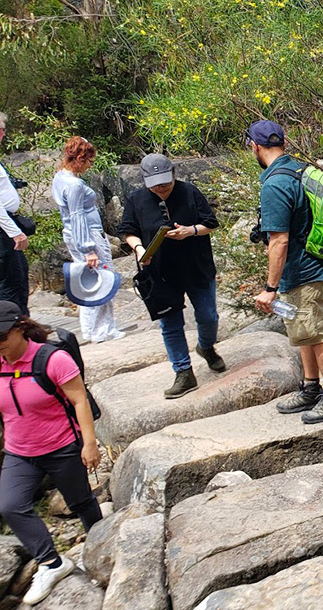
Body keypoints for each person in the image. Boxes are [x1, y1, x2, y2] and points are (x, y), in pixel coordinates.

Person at [0, 301, 102, 604]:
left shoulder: (53, 359)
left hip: (61, 446)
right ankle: (52, 562)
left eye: (2, 337)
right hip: (19, 452)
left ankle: (100, 550)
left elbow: (80, 401)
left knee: (82, 502)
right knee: (10, 505)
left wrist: (90, 443)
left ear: (20, 328)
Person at [248, 120, 323, 424]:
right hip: (310, 266)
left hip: (303, 270)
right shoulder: (296, 170)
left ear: (254, 146)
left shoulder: (275, 183)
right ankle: (310, 388)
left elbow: (279, 240)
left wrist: (269, 287)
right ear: (284, 144)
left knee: (315, 333)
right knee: (303, 331)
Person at [118, 154, 226, 398]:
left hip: (196, 266)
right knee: (170, 324)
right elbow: (128, 230)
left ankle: (206, 347)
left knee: (208, 315)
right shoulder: (136, 199)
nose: (161, 187)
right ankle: (183, 372)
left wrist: (191, 231)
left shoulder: (190, 192)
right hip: (160, 273)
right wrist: (139, 248)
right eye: (155, 184)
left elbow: (211, 222)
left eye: (165, 182)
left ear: (174, 174)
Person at [51, 136, 125, 343]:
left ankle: (96, 329)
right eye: (89, 161)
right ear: (80, 158)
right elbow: (77, 216)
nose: (90, 165)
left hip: (76, 235)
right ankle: (101, 330)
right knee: (102, 279)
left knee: (90, 280)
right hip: (87, 235)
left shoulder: (61, 177)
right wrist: (88, 249)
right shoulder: (73, 184)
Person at [0, 113, 30, 314]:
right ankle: (13, 329)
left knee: (19, 276)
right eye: (0, 129)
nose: (3, 133)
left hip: (7, 226)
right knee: (11, 283)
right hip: (4, 231)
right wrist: (14, 232)